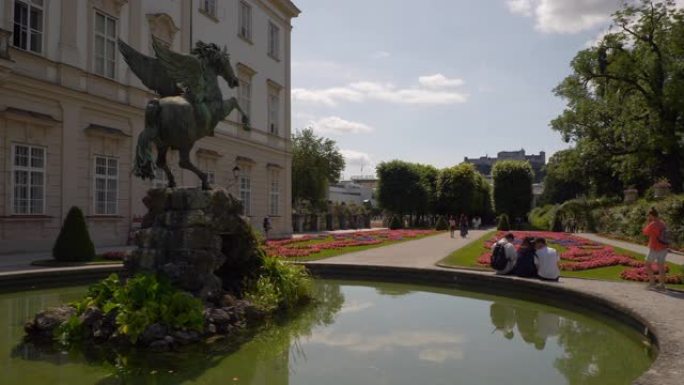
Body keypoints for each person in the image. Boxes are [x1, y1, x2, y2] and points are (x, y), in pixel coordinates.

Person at [642, 207, 669, 290]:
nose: (648, 217)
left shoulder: (652, 224)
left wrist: (648, 222)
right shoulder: (662, 223)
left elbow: (645, 232)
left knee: (647, 264)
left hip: (654, 247)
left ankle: (652, 283)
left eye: (648, 216)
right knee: (661, 266)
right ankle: (662, 285)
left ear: (651, 215)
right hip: (664, 248)